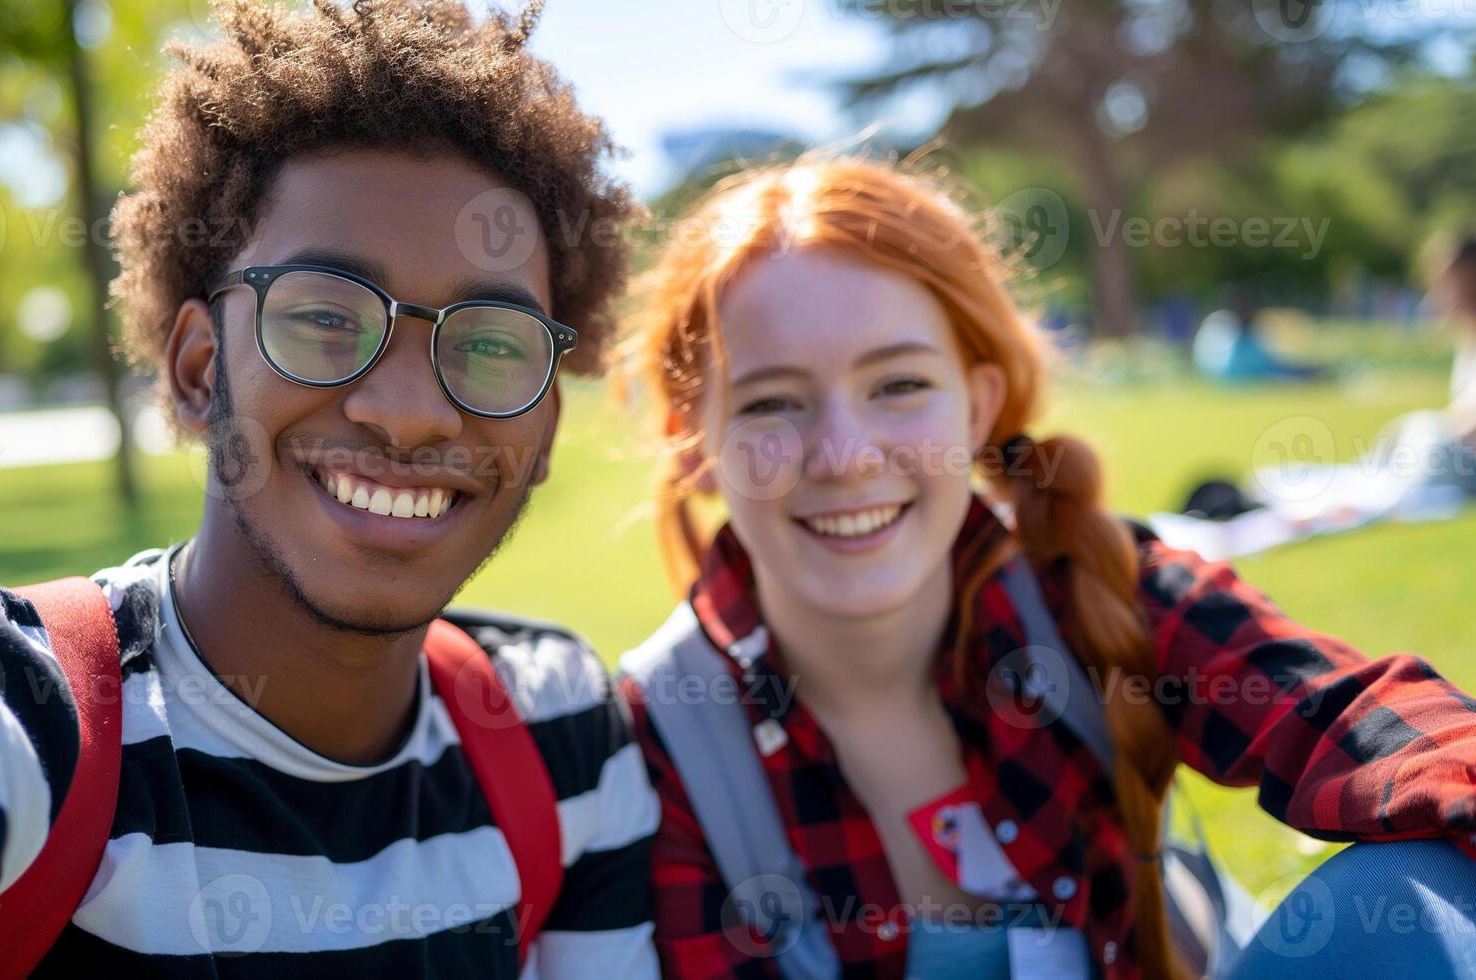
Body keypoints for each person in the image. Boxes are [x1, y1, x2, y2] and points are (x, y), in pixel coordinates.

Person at [0, 2, 658, 976]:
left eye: (487, 343)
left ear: (548, 425)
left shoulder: (558, 729)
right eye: (323, 317)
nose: (410, 413)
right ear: (195, 369)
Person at [612, 156, 1476, 979]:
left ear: (978, 406)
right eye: (772, 402)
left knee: (1413, 896)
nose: (844, 455)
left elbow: (1357, 717)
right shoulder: (659, 740)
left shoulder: (1086, 586)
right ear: (694, 443)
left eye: (899, 385)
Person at [1160, 238, 1476, 561]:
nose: (1437, 294)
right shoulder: (1467, 342)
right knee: (1349, 476)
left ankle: (1262, 507)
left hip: (1446, 459)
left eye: (1445, 282)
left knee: (1371, 487)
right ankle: (1261, 498)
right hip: (1433, 451)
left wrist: (1433, 431)